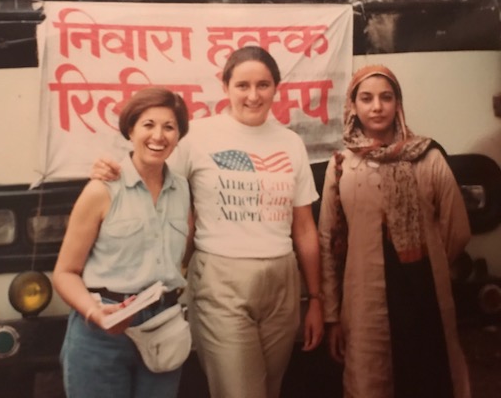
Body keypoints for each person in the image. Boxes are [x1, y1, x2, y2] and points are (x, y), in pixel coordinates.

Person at [93, 46, 324, 398]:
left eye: (263, 85)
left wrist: (317, 299)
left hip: (282, 284)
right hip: (220, 282)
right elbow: (149, 174)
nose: (253, 95)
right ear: (225, 86)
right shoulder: (197, 137)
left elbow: (304, 228)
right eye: (242, 85)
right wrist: (109, 171)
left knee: (271, 390)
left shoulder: (291, 143)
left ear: (276, 88)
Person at [318, 65, 471, 398]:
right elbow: (328, 243)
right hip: (365, 299)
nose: (377, 106)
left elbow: (455, 230)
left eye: (386, 97)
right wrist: (331, 317)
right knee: (372, 381)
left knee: (431, 377)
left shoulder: (428, 158)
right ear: (353, 106)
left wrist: (429, 264)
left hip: (424, 291)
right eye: (367, 98)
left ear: (397, 103)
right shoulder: (342, 165)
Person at [53, 87, 193, 398]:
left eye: (169, 127)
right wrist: (96, 314)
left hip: (163, 328)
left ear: (179, 136)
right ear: (130, 129)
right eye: (148, 125)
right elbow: (65, 273)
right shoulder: (101, 190)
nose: (158, 136)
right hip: (102, 334)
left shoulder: (182, 190)